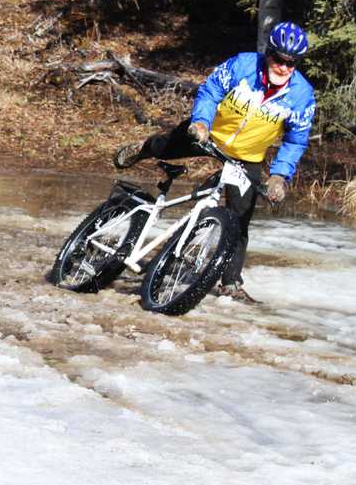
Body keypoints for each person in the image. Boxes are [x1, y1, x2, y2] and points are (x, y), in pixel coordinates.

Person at [112, 21, 316, 303]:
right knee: (165, 146)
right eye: (280, 59)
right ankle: (143, 149)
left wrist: (280, 176)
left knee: (239, 220)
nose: (284, 67)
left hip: (246, 156)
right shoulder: (243, 65)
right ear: (269, 53)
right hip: (209, 133)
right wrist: (201, 122)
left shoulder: (302, 95)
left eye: (292, 63)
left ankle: (231, 283)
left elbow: (295, 141)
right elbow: (210, 92)